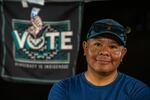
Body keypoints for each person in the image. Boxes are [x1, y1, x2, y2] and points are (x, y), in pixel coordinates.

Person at [48, 19, 150, 100]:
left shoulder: (138, 92)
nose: (104, 52)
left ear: (122, 53)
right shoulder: (63, 89)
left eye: (113, 47)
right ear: (85, 47)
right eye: (98, 44)